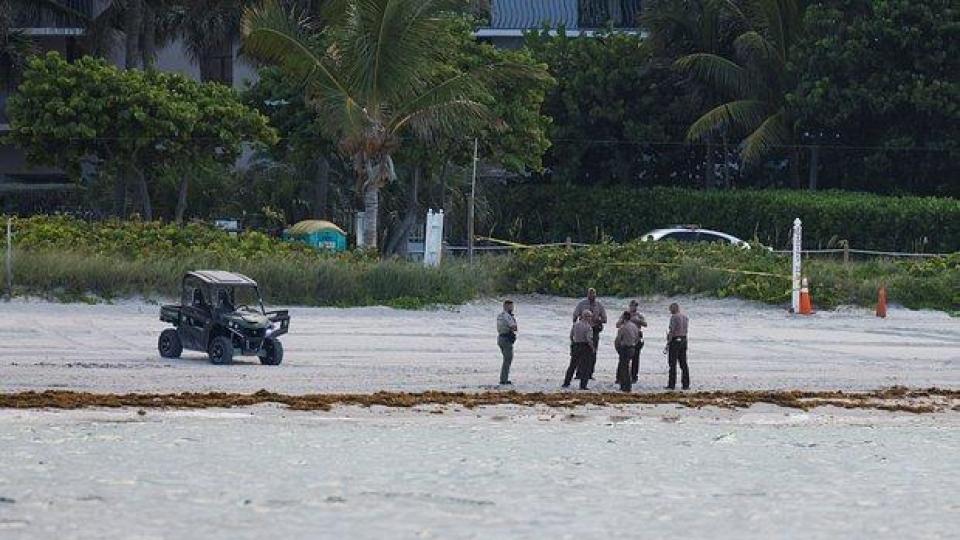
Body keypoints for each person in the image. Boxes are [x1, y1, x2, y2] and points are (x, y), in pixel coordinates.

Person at [572, 288, 607, 374]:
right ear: (587, 294)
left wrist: (597, 320)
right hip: (583, 329)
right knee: (580, 352)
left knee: (592, 352)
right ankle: (579, 373)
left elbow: (605, 319)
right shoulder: (582, 304)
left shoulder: (599, 305)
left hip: (594, 330)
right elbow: (575, 315)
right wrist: (575, 327)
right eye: (590, 294)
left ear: (596, 295)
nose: (592, 296)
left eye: (593, 294)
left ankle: (589, 373)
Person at [616, 299, 648, 384]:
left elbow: (645, 324)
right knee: (623, 359)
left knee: (636, 358)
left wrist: (637, 321)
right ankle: (620, 377)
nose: (634, 307)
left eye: (635, 306)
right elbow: (617, 324)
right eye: (632, 305)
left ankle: (634, 376)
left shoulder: (638, 315)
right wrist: (624, 321)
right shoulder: (625, 314)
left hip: (636, 337)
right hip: (626, 336)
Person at [564, 310, 595, 390]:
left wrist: (573, 344)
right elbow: (588, 339)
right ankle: (583, 385)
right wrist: (592, 348)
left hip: (576, 345)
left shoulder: (575, 325)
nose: (591, 318)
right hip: (585, 346)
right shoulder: (588, 327)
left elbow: (571, 336)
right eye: (590, 316)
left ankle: (566, 382)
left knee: (572, 365)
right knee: (585, 367)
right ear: (586, 317)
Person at [664, 302, 690, 390]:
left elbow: (672, 330)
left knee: (672, 364)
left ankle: (672, 384)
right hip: (684, 339)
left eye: (670, 309)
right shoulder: (685, 317)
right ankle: (686, 384)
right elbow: (686, 330)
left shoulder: (674, 317)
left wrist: (668, 342)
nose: (670, 311)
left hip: (675, 340)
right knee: (683, 363)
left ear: (674, 308)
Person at [613, 311, 640, 392]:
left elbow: (618, 340)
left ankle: (626, 386)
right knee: (628, 367)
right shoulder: (634, 326)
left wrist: (618, 349)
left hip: (625, 348)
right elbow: (637, 337)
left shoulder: (623, 327)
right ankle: (625, 385)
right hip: (633, 348)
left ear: (623, 318)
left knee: (624, 368)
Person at [496, 300, 518, 385]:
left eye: (512, 306)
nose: (512, 308)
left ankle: (504, 379)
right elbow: (514, 327)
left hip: (501, 338)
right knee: (507, 360)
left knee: (506, 359)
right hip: (506, 339)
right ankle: (503, 380)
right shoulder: (507, 316)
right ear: (505, 306)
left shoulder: (500, 315)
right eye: (510, 306)